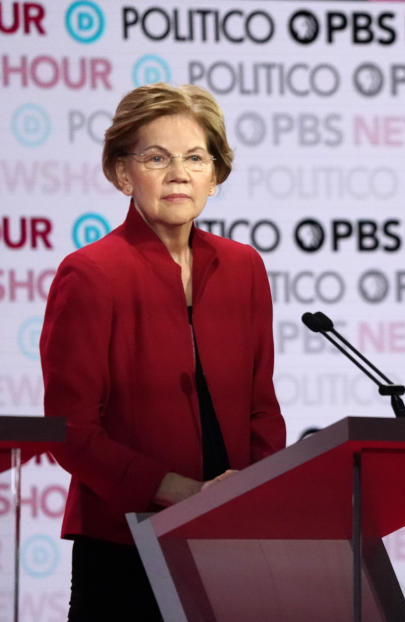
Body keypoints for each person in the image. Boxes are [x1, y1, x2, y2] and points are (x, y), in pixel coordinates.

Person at [40, 83, 286, 621]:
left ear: (215, 175)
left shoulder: (244, 268)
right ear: (123, 174)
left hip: (231, 544)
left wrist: (257, 496)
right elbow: (71, 431)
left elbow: (261, 407)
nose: (179, 172)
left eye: (196, 157)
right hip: (126, 546)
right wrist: (182, 491)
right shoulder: (90, 275)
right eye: (158, 157)